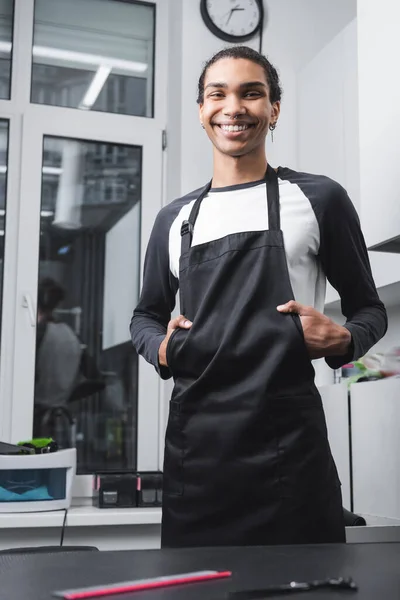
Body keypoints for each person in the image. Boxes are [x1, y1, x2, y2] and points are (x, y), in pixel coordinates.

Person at [130, 46, 387, 548]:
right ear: (202, 111)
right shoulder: (174, 219)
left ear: (273, 110)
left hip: (289, 452)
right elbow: (145, 316)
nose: (234, 107)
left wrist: (343, 339)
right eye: (217, 94)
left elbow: (370, 310)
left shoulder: (318, 198)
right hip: (197, 457)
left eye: (252, 93)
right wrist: (160, 347)